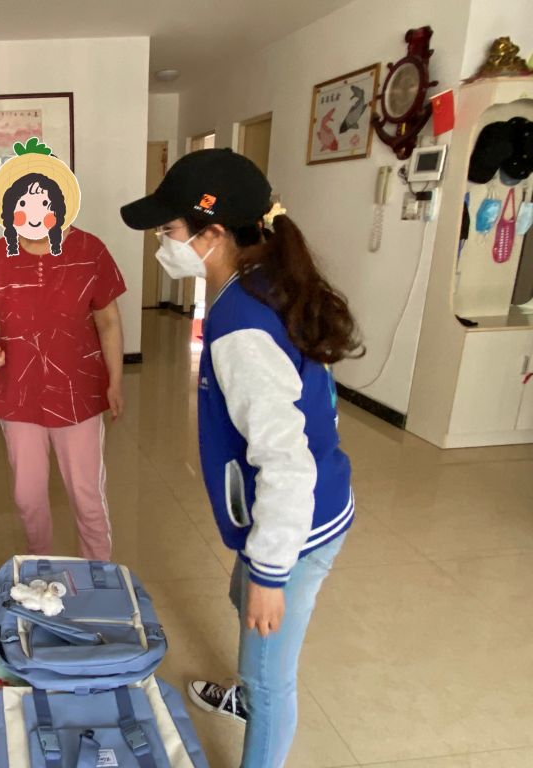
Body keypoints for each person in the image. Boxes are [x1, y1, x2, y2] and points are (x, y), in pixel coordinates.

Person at [121, 148, 361, 766]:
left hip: (300, 524)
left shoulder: (243, 329)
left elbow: (286, 464)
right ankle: (250, 687)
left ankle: (256, 698)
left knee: (270, 675)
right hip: (292, 510)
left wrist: (273, 574)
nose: (162, 244)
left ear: (213, 234)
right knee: (241, 595)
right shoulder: (256, 284)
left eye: (168, 230)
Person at [0, 138, 126, 561]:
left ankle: (99, 574)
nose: (33, 214)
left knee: (86, 496)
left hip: (79, 393)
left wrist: (115, 380)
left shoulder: (90, 251)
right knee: (27, 496)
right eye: (22, 204)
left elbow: (108, 321)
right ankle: (40, 567)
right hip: (19, 393)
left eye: (43, 203)